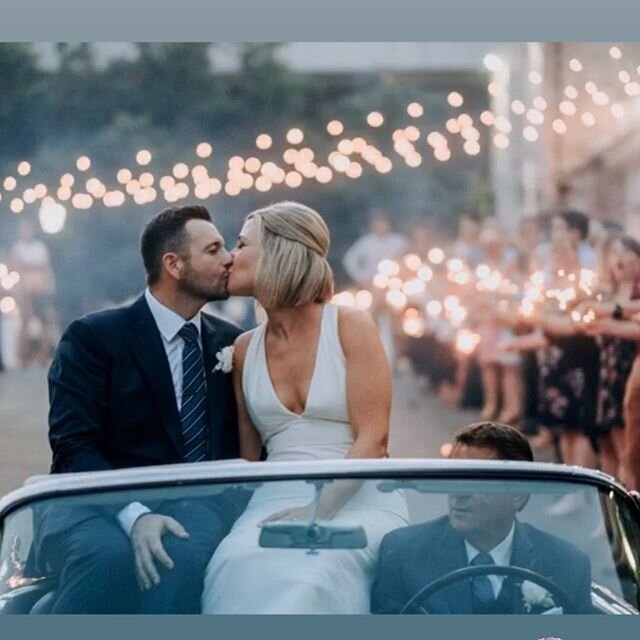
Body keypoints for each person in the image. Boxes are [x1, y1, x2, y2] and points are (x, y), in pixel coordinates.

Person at [201, 201, 409, 614]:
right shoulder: (243, 349)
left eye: (241, 244)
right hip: (274, 499)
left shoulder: (350, 325)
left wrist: (316, 511)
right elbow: (249, 460)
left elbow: (375, 439)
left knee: (315, 574)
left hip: (359, 496)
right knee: (235, 564)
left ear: (279, 252)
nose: (230, 256)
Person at [38, 205, 245, 613]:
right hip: (90, 503)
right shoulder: (93, 338)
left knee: (178, 558)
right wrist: (134, 515)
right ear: (174, 264)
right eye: (214, 250)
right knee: (106, 559)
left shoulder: (234, 343)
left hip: (197, 505)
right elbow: (73, 447)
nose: (229, 259)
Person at [371, 422, 592, 614]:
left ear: (517, 495)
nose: (458, 493)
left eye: (475, 480)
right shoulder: (403, 554)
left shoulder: (567, 564)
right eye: (453, 477)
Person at [11, 219, 58, 367]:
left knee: (44, 323)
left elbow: (45, 267)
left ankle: (44, 356)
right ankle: (23, 358)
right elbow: (16, 266)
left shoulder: (40, 247)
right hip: (25, 291)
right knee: (25, 323)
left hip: (40, 290)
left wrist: (48, 285)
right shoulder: (18, 248)